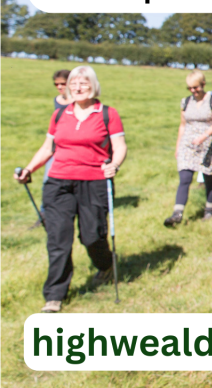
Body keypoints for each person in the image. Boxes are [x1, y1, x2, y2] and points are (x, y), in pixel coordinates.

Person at [14, 65, 127, 313]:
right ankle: (54, 296)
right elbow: (47, 148)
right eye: (73, 84)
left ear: (94, 86)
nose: (77, 88)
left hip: (94, 182)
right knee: (58, 240)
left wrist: (115, 165)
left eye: (83, 84)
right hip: (58, 182)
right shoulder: (59, 115)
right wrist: (29, 169)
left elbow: (119, 145)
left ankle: (106, 265)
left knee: (92, 236)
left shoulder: (107, 113)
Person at [165, 71, 212, 226]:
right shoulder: (185, 102)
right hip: (188, 144)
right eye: (190, 88)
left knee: (208, 178)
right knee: (184, 178)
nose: (193, 91)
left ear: (203, 85)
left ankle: (210, 208)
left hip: (208, 143)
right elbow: (183, 125)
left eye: (196, 87)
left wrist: (204, 136)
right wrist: (178, 146)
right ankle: (177, 214)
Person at [42, 69, 73, 187]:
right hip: (57, 142)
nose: (59, 87)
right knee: (49, 177)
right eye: (56, 84)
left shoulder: (79, 101)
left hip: (72, 143)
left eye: (63, 84)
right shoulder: (57, 100)